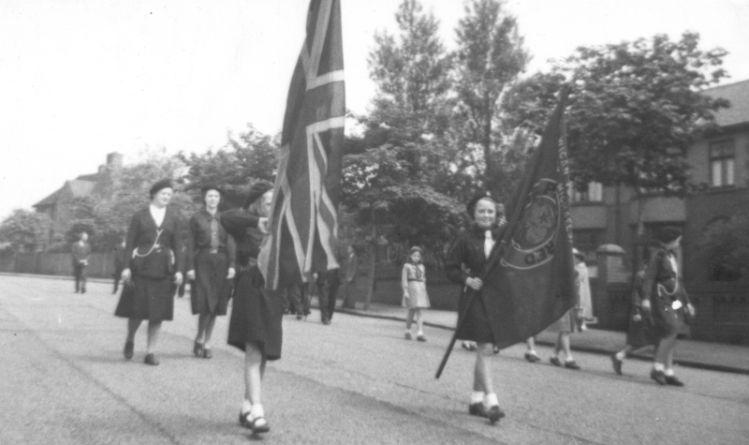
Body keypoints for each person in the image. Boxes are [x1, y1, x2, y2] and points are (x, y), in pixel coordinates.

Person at [220, 180, 279, 434]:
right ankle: (257, 411)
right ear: (257, 203)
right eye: (267, 200)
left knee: (263, 350)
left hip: (273, 291)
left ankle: (246, 405)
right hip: (251, 286)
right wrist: (256, 222)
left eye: (273, 200)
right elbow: (226, 217)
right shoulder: (246, 223)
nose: (271, 204)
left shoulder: (280, 226)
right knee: (254, 347)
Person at [445, 191, 506, 424]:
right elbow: (449, 267)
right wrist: (467, 280)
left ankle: (475, 400)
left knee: (486, 349)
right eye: (481, 211)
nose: (486, 215)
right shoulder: (464, 238)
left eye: (490, 211)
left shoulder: (503, 237)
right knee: (485, 346)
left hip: (495, 300)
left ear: (495, 214)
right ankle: (492, 402)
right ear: (474, 213)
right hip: (474, 299)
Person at [114, 179, 184, 366]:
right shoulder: (140, 216)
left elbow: (178, 246)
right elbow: (130, 244)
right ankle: (130, 338)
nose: (166, 197)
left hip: (163, 271)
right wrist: (126, 267)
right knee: (136, 311)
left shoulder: (174, 217)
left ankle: (150, 352)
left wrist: (179, 271)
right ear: (154, 194)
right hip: (141, 269)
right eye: (163, 194)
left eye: (169, 195)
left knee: (157, 314)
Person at [185, 185, 236, 359]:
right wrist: (190, 267)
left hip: (221, 261)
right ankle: (200, 337)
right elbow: (190, 243)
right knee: (206, 303)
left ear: (219, 199)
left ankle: (206, 341)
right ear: (205, 199)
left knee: (215, 305)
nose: (213, 199)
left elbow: (230, 243)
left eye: (216, 196)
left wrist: (232, 265)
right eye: (210, 196)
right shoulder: (196, 218)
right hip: (203, 261)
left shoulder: (226, 218)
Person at [641, 227, 695, 386]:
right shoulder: (658, 255)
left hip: (675, 300)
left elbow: (678, 282)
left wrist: (687, 303)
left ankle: (668, 372)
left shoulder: (673, 256)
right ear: (670, 240)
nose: (679, 243)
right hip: (661, 299)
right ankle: (657, 368)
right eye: (678, 240)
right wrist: (645, 298)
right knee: (671, 328)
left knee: (678, 331)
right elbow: (649, 277)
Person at [611, 259, 655, 375]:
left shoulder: (653, 278)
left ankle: (619, 356)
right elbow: (636, 293)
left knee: (651, 340)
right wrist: (636, 310)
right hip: (641, 312)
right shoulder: (641, 276)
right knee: (639, 340)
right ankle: (619, 356)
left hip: (651, 312)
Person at [402, 246, 430, 341]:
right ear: (410, 256)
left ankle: (420, 332)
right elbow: (404, 279)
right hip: (412, 287)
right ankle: (408, 330)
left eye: (418, 256)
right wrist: (405, 291)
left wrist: (424, 289)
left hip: (420, 288)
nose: (416, 258)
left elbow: (424, 278)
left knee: (420, 311)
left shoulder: (422, 267)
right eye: (414, 255)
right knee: (412, 310)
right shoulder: (407, 266)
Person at [340, 245, 359, 309]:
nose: (348, 249)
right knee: (346, 290)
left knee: (351, 291)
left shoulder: (355, 257)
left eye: (349, 248)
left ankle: (351, 305)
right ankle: (345, 304)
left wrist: (351, 277)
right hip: (347, 276)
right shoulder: (349, 257)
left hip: (352, 278)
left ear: (352, 249)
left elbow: (354, 268)